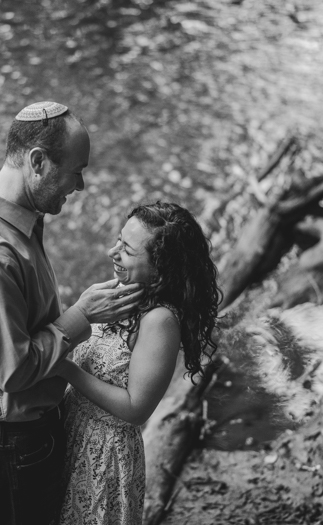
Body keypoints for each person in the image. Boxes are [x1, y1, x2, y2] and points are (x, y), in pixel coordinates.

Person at [0, 101, 144, 525]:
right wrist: (81, 316)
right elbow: (12, 373)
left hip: (9, 437)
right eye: (76, 170)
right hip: (8, 443)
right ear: (38, 161)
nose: (82, 185)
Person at [54, 201, 222, 525]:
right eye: (118, 240)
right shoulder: (121, 290)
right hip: (69, 431)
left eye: (126, 250)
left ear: (160, 267)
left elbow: (136, 408)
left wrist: (64, 369)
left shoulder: (160, 321)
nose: (111, 252)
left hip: (104, 454)